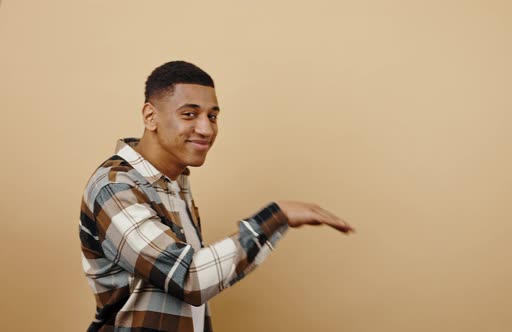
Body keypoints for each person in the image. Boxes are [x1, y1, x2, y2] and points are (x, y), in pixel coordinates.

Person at [78, 60, 354, 332]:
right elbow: (189, 279)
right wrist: (274, 218)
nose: (206, 129)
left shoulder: (173, 182)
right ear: (151, 116)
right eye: (189, 114)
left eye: (212, 116)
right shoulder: (115, 187)